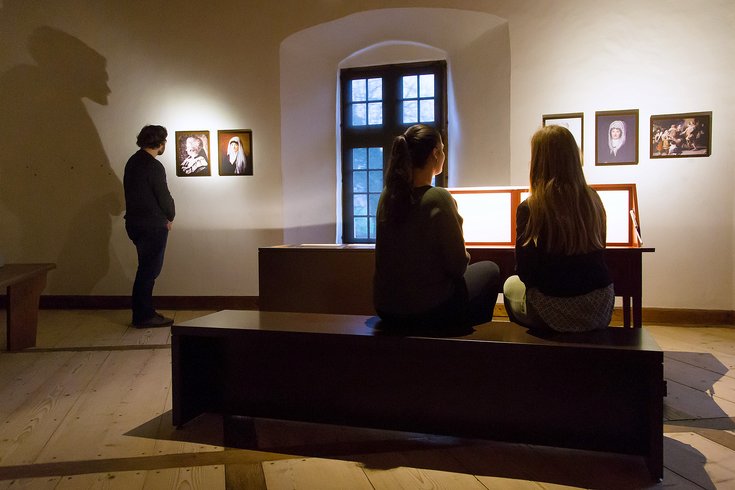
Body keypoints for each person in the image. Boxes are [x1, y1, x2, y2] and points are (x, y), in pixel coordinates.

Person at [373, 124, 500, 330]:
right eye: (443, 148)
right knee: (491, 270)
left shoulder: (387, 195)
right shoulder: (438, 197)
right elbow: (458, 266)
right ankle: (468, 342)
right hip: (426, 310)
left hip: (386, 308)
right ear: (435, 153)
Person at [503, 125, 614, 332]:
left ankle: (528, 348)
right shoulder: (593, 200)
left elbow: (525, 272)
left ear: (538, 162)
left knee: (510, 284)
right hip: (600, 306)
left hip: (553, 309)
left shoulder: (531, 207)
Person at [123, 125, 176, 327]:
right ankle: (144, 315)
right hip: (152, 225)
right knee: (148, 271)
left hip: (135, 224)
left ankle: (143, 312)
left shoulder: (133, 161)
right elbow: (164, 196)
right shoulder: (153, 166)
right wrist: (170, 216)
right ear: (160, 143)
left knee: (145, 269)